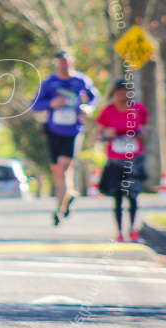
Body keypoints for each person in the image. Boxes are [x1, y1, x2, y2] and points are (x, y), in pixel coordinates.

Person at [31, 50, 99, 226]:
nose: (64, 65)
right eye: (60, 62)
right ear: (56, 64)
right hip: (53, 131)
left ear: (72, 63)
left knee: (65, 166)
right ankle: (67, 197)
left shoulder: (81, 81)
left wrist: (87, 107)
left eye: (67, 62)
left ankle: (58, 210)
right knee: (59, 172)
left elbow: (93, 97)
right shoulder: (49, 83)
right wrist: (51, 104)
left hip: (73, 131)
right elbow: (35, 105)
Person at [96, 78, 149, 242]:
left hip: (134, 157)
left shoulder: (138, 109)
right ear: (114, 94)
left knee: (133, 195)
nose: (121, 97)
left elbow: (147, 127)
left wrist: (141, 133)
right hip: (115, 160)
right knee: (117, 196)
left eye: (124, 93)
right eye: (118, 94)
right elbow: (98, 134)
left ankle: (133, 229)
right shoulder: (108, 111)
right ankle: (119, 232)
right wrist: (106, 135)